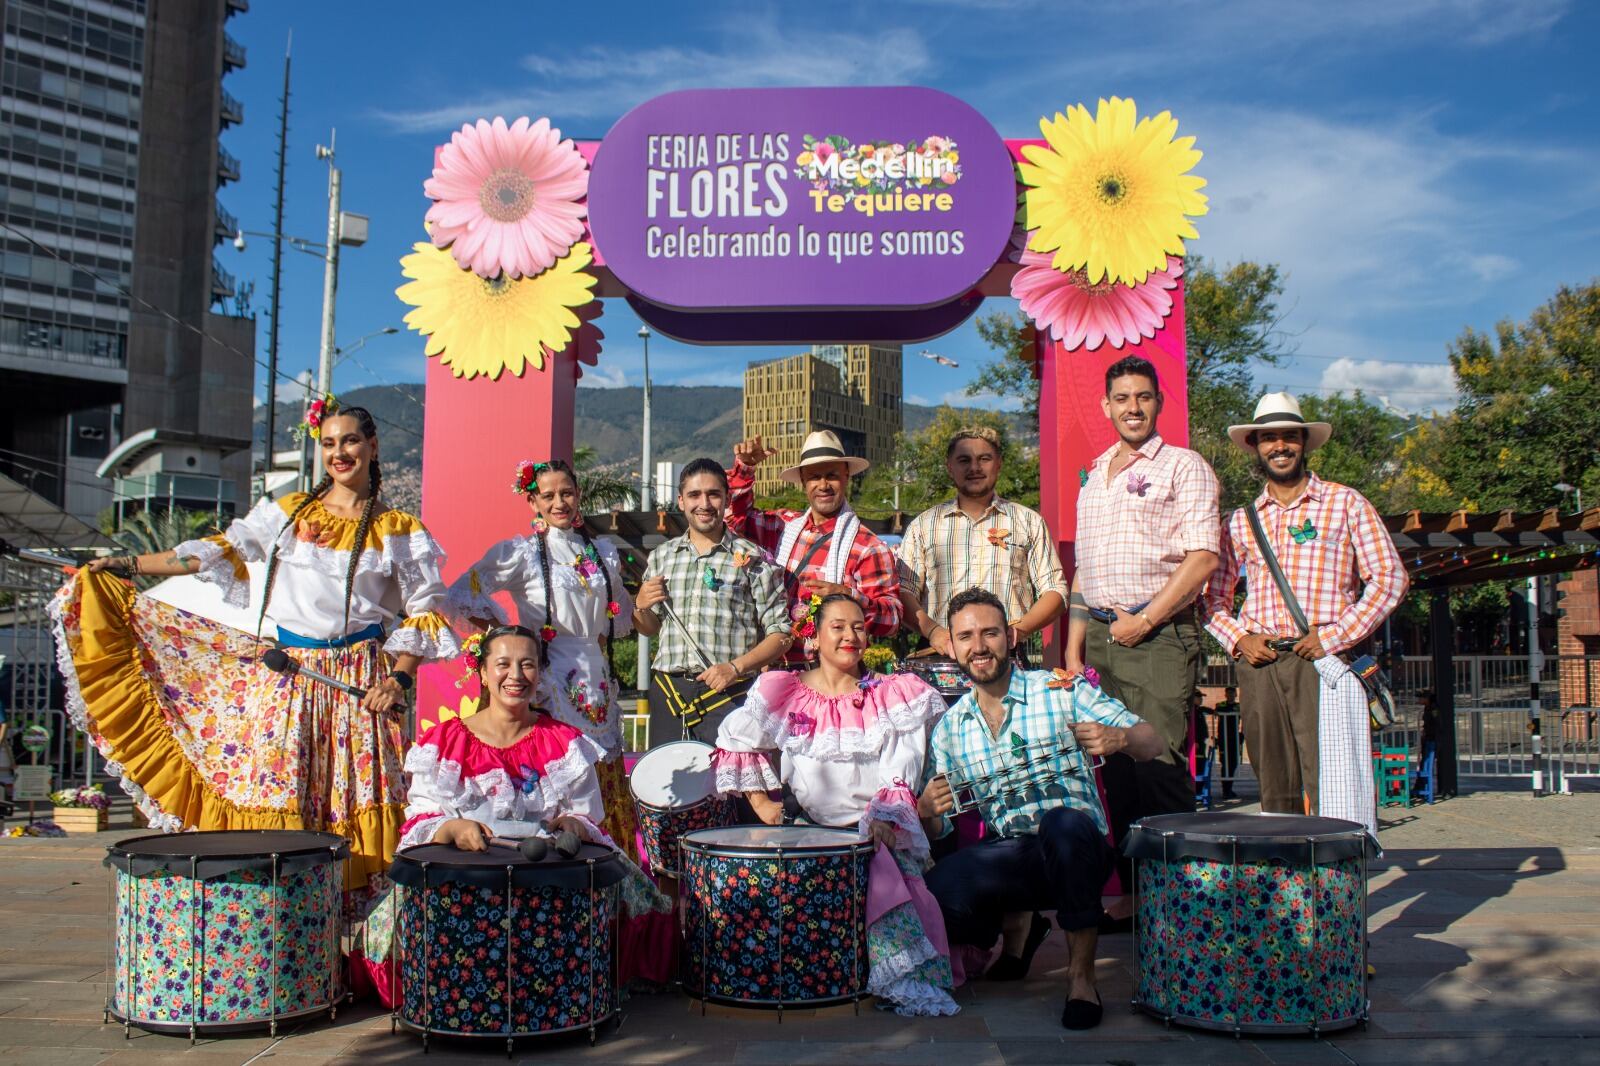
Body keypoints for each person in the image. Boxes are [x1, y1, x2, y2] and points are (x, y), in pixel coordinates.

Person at [58, 400, 458, 895]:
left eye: (350, 441)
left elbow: (424, 610)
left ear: (372, 447)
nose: (340, 453)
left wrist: (397, 678)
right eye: (329, 443)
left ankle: (354, 946)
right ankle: (285, 929)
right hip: (288, 675)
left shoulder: (399, 530)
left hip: (358, 684)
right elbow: (215, 553)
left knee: (358, 805)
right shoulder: (287, 514)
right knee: (280, 794)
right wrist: (129, 564)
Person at [360, 625, 662, 999]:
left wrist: (572, 824)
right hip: (464, 886)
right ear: (483, 672)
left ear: (541, 672)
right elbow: (421, 819)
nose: (516, 676)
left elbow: (585, 818)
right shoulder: (444, 741)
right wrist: (452, 827)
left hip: (546, 888)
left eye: (528, 665)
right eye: (503, 664)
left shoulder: (565, 743)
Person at [917, 588, 1165, 1030]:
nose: (979, 646)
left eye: (990, 633)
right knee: (937, 896)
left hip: (1076, 847)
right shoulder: (951, 728)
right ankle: (1021, 930)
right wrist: (928, 811)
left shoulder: (1058, 690)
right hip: (1014, 855)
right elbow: (939, 828)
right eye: (967, 636)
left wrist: (1119, 739)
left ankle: (1081, 979)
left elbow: (1153, 740)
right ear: (952, 646)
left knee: (1062, 824)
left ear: (1010, 637)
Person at [710, 594, 958, 1016]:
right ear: (815, 636)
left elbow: (901, 767)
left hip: (875, 837)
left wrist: (882, 821)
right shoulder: (783, 689)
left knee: (887, 887)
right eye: (838, 626)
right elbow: (734, 736)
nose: (850, 635)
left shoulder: (892, 694)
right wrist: (761, 804)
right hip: (810, 837)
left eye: (859, 626)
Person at [1202, 391, 1409, 823]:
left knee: (1332, 780)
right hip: (1261, 662)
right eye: (1269, 438)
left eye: (1289, 436)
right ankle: (1283, 884)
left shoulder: (1346, 503)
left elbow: (1391, 579)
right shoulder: (1240, 521)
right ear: (1256, 447)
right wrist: (1239, 639)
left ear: (1304, 442)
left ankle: (1334, 884)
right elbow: (1212, 599)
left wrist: (1333, 637)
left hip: (1324, 660)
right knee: (1273, 783)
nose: (1280, 446)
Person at [1066, 355, 1220, 924]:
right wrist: (1074, 646)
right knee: (1118, 772)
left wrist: (1148, 619)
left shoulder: (1185, 466)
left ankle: (1182, 908)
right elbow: (1086, 567)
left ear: (1158, 402)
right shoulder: (1095, 474)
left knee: (1159, 768)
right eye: (1122, 398)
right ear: (1106, 406)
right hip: (1103, 638)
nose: (1133, 407)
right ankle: (1134, 898)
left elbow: (1203, 557)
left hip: (1155, 637)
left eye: (1143, 397)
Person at [444, 458, 637, 847]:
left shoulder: (602, 553)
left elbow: (619, 616)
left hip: (595, 676)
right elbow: (461, 594)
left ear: (579, 495)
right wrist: (505, 638)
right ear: (532, 502)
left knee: (599, 777)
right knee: (554, 780)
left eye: (566, 493)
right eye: (547, 495)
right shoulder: (523, 553)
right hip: (545, 678)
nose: (559, 502)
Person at [634, 458, 793, 748]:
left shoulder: (754, 558)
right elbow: (649, 627)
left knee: (734, 791)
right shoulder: (661, 557)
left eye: (713, 494)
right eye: (694, 495)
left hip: (730, 694)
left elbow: (781, 634)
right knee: (670, 790)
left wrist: (735, 667)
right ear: (681, 501)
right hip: (670, 694)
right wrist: (640, 606)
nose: (704, 503)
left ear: (727, 499)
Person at [727, 430, 901, 664]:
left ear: (846, 476)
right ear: (803, 481)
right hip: (776, 669)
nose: (823, 485)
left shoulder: (868, 547)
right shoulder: (782, 527)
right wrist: (745, 469)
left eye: (832, 475)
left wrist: (848, 597)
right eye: (814, 477)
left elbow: (892, 620)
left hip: (832, 675)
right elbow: (735, 520)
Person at [898, 425, 1067, 662]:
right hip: (941, 654)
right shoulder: (924, 526)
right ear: (950, 467)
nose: (975, 468)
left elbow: (1056, 591)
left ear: (998, 463)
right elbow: (903, 591)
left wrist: (1019, 630)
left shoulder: (1028, 521)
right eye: (964, 460)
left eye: (984, 459)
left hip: (1008, 652)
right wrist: (934, 632)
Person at [1212, 685, 1242, 800]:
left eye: (1232, 693)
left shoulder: (1239, 706)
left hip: (1234, 739)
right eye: (1228, 693)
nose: (1230, 695)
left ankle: (1229, 789)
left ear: (1236, 694)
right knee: (1225, 764)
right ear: (1225, 694)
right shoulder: (1221, 705)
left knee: (1233, 764)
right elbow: (1218, 709)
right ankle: (1225, 790)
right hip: (1223, 739)